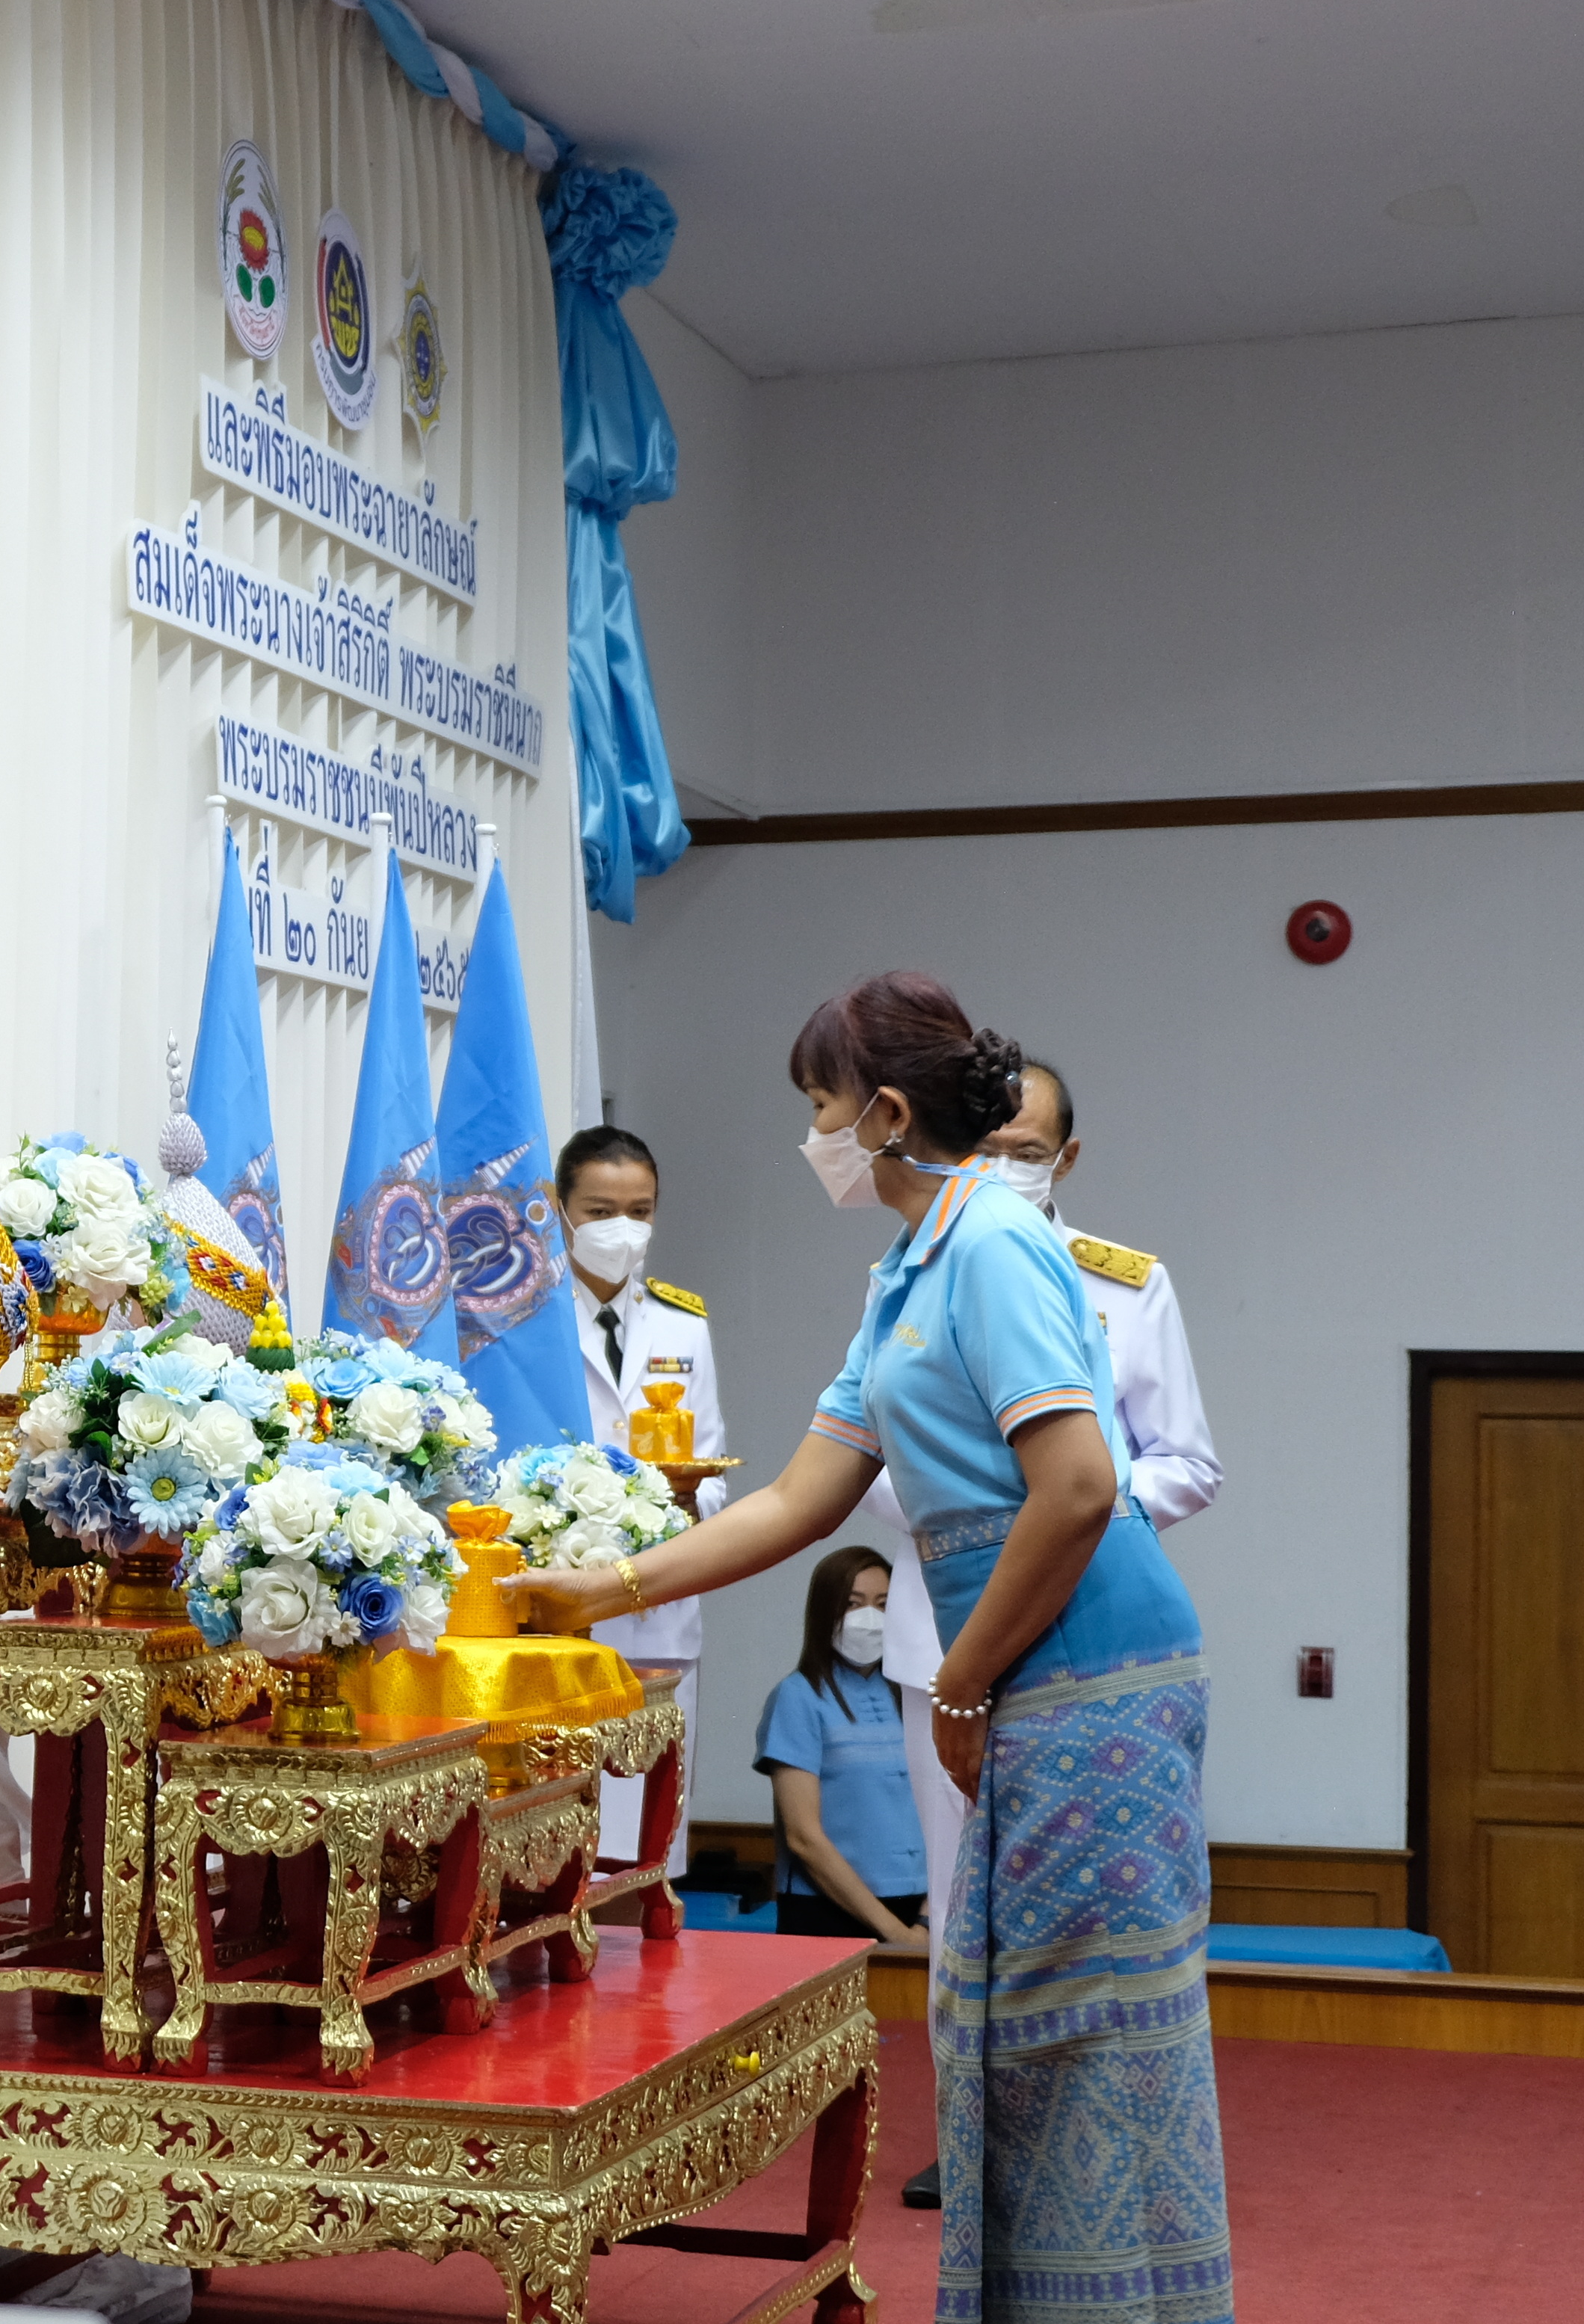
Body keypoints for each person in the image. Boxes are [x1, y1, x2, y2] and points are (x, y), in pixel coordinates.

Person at [510, 973, 1233, 2324]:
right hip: (1021, 1671)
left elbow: (1078, 1489)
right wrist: (598, 1590)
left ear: (888, 1111)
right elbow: (801, 1497)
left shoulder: (997, 1244)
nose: (815, 1137)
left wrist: (960, 1684)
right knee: (1006, 2028)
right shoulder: (906, 1265)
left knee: (1085, 2036)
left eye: (821, 1107)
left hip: (1091, 1679)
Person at [872, 1055, 1223, 2207]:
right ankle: (963, 2130)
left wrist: (1085, 1502)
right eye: (993, 1144)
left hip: (1079, 1629)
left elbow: (1181, 1462)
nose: (1007, 1165)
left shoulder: (1124, 1282)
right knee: (954, 1903)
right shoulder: (908, 1271)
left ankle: (1087, 2148)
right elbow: (864, 1464)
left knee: (1083, 1916)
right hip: (947, 1632)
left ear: (1065, 1159)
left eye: (1029, 1150)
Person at [555, 1124, 726, 1861]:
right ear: (559, 1207)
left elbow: (712, 1469)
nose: (622, 1227)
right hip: (562, 1607)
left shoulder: (682, 1323)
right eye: (599, 1210)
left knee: (648, 1842)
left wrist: (688, 1504)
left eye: (641, 1209)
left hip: (658, 1607)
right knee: (557, 1831)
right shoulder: (526, 1322)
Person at [755, 1546, 928, 1946]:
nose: (871, 1618)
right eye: (854, 1604)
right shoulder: (797, 1698)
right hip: (828, 1911)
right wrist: (894, 1934)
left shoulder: (915, 1698)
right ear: (825, 1611)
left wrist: (926, 1921)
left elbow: (948, 1813)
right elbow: (804, 1837)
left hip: (920, 1911)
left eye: (884, 1605)